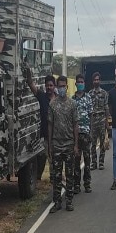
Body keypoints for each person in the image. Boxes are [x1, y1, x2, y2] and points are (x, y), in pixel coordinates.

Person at [48, 75, 78, 212]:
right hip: (56, 144)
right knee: (56, 175)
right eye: (59, 86)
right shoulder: (52, 104)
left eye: (63, 86)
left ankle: (69, 201)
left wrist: (76, 145)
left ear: (66, 87)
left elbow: (75, 125)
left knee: (70, 174)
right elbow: (50, 125)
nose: (61, 88)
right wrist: (50, 145)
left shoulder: (72, 104)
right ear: (56, 87)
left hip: (69, 144)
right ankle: (57, 202)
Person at [24, 67, 55, 180]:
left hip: (56, 136)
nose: (49, 87)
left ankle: (53, 181)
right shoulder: (42, 96)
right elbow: (32, 85)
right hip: (45, 135)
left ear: (54, 86)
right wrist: (28, 75)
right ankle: (37, 180)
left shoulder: (58, 99)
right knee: (42, 158)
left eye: (51, 85)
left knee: (53, 161)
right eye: (47, 85)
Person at [72, 73, 93, 194]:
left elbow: (91, 115)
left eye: (82, 82)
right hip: (75, 134)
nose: (80, 84)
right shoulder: (72, 99)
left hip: (86, 133)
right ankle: (76, 185)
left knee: (87, 159)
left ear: (84, 84)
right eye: (78, 82)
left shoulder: (88, 97)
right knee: (76, 160)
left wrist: (90, 131)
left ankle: (87, 184)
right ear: (75, 84)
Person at [88, 71, 109, 170]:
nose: (96, 81)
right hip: (93, 119)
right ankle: (94, 162)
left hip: (101, 119)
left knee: (102, 142)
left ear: (100, 81)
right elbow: (88, 109)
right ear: (93, 81)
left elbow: (106, 108)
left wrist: (107, 123)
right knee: (93, 143)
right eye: (95, 80)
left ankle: (101, 162)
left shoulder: (104, 93)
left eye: (98, 79)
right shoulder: (89, 94)